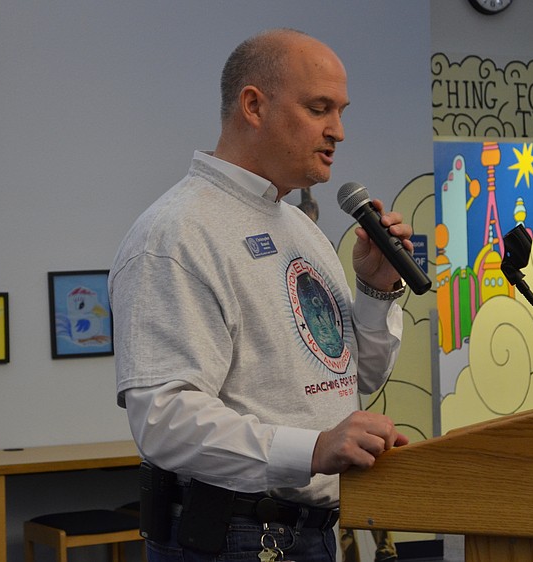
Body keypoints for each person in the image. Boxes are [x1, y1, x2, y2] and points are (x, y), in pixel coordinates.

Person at [109, 28, 412, 562]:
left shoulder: (300, 227)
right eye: (320, 108)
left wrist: (376, 289)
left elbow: (354, 376)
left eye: (341, 111)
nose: (338, 131)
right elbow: (163, 418)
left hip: (314, 530)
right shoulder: (177, 233)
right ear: (253, 105)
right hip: (234, 539)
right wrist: (314, 449)